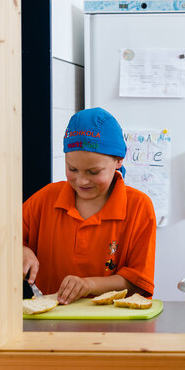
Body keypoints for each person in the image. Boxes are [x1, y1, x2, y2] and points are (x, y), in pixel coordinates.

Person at [22, 107, 156, 304]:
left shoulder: (138, 207)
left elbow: (138, 281)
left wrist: (89, 285)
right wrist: (20, 250)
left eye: (93, 172)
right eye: (72, 169)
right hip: (51, 322)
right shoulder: (45, 199)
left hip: (114, 325)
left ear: (118, 160)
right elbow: (3, 238)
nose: (82, 181)